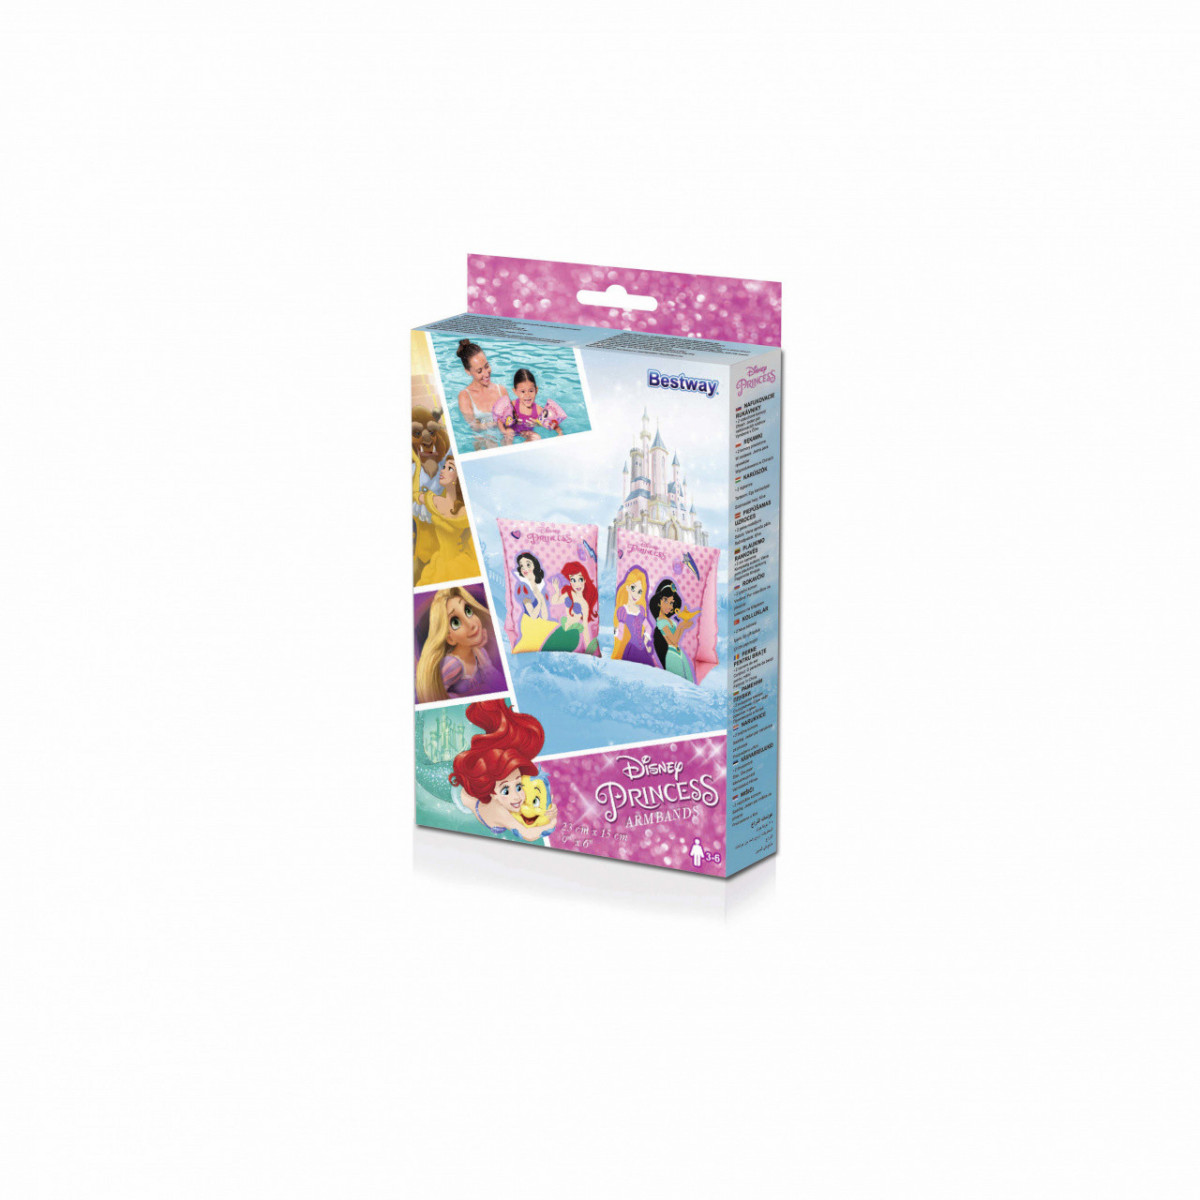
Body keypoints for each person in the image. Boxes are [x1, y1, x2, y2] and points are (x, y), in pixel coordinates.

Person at [449, 700, 556, 842]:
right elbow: (529, 834)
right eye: (506, 790)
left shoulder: (498, 797)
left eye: (519, 786)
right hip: (455, 792)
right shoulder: (501, 812)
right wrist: (553, 820)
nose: (517, 797)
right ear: (492, 794)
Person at [415, 588, 500, 704]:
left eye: (468, 611)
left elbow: (495, 682)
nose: (471, 624)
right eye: (456, 622)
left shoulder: (480, 653)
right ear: (450, 638)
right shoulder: (452, 664)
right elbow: (435, 697)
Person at [416, 457, 480, 585]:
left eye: (450, 468)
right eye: (444, 467)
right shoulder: (437, 501)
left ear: (458, 477)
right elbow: (415, 495)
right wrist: (417, 464)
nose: (443, 470)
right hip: (438, 563)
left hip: (459, 565)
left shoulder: (466, 511)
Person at [455, 338, 507, 449]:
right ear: (468, 371)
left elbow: (511, 417)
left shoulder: (501, 390)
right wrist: (495, 421)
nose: (486, 374)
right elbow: (474, 426)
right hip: (482, 441)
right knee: (488, 441)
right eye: (479, 371)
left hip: (503, 437)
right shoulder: (465, 396)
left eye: (487, 366)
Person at [649, 579, 697, 682]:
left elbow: (676, 640)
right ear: (659, 602)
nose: (669, 606)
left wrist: (682, 627)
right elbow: (673, 641)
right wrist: (681, 627)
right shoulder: (661, 622)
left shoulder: (669, 620)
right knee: (679, 681)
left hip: (679, 653)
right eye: (665, 601)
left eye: (671, 603)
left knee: (688, 680)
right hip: (672, 654)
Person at [612, 566, 657, 666]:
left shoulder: (640, 609)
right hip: (631, 648)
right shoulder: (623, 610)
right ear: (627, 587)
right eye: (633, 588)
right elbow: (621, 634)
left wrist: (646, 639)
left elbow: (648, 627)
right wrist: (615, 631)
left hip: (643, 648)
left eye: (639, 591)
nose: (636, 594)